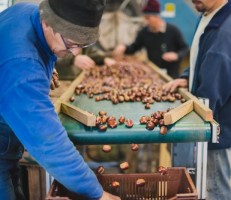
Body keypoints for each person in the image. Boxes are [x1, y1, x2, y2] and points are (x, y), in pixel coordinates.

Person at [0, 0, 120, 199]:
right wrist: (97, 193)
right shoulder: (23, 68)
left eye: (83, 45)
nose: (75, 53)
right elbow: (49, 143)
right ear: (48, 23)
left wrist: (46, 65)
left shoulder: (28, 12)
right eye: (71, 44)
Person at [163, 0, 231, 199]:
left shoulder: (224, 34)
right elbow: (200, 58)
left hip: (218, 127)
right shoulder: (208, 16)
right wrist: (186, 77)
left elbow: (210, 96)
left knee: (215, 188)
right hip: (213, 121)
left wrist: (185, 123)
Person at [113, 0, 189, 79]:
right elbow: (135, 47)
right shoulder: (144, 32)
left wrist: (176, 55)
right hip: (154, 74)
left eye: (148, 18)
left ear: (157, 16)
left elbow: (184, 48)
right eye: (145, 18)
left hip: (171, 74)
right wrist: (124, 47)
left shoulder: (173, 30)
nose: (146, 21)